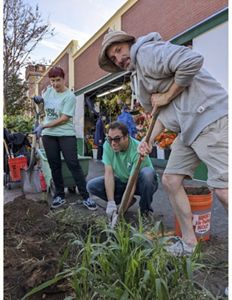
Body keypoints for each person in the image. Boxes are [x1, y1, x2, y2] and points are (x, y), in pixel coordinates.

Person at [98, 30, 228, 256]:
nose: (118, 59)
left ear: (130, 42)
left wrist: (167, 95)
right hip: (187, 128)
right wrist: (147, 140)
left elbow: (192, 60)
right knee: (170, 180)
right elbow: (163, 114)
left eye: (118, 50)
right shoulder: (137, 75)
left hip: (209, 117)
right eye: (113, 58)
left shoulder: (147, 52)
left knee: (224, 191)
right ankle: (189, 243)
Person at [33, 66, 97, 210]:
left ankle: (86, 197)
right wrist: (40, 102)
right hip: (49, 136)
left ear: (64, 79)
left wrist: (43, 126)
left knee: (73, 164)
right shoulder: (49, 91)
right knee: (54, 165)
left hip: (66, 134)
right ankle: (60, 195)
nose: (55, 84)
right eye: (52, 80)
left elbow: (63, 118)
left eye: (58, 80)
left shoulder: (70, 96)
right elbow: (45, 110)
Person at [87, 121, 158, 221]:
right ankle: (124, 202)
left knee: (148, 174)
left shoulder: (137, 149)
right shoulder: (108, 146)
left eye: (117, 139)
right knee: (92, 185)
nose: (113, 143)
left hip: (140, 183)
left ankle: (145, 211)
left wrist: (121, 213)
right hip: (124, 181)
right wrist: (111, 202)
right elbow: (109, 173)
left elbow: (132, 183)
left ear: (126, 137)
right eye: (110, 139)